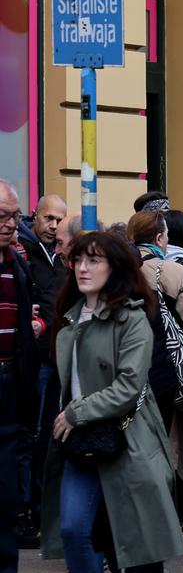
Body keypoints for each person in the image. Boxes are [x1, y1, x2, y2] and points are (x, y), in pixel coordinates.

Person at [41, 230, 183, 573]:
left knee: (140, 530)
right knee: (72, 528)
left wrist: (76, 413)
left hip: (128, 438)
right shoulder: (69, 317)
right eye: (78, 261)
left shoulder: (132, 317)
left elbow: (128, 386)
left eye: (94, 261)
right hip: (81, 441)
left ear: (115, 267)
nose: (83, 268)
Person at [127, 210, 183, 550]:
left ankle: (150, 525)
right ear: (161, 238)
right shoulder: (173, 271)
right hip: (177, 374)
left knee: (147, 450)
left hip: (139, 372)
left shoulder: (128, 272)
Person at [0, 179, 41, 573]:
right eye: (2, 217)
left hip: (10, 386)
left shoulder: (17, 263)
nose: (11, 226)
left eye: (14, 217)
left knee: (6, 499)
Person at [15, 194, 66, 548]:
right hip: (34, 361)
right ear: (35, 217)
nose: (53, 226)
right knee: (29, 436)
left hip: (56, 359)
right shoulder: (26, 256)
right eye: (49, 218)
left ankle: (40, 506)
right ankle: (25, 510)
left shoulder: (60, 260)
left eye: (59, 220)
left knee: (48, 436)